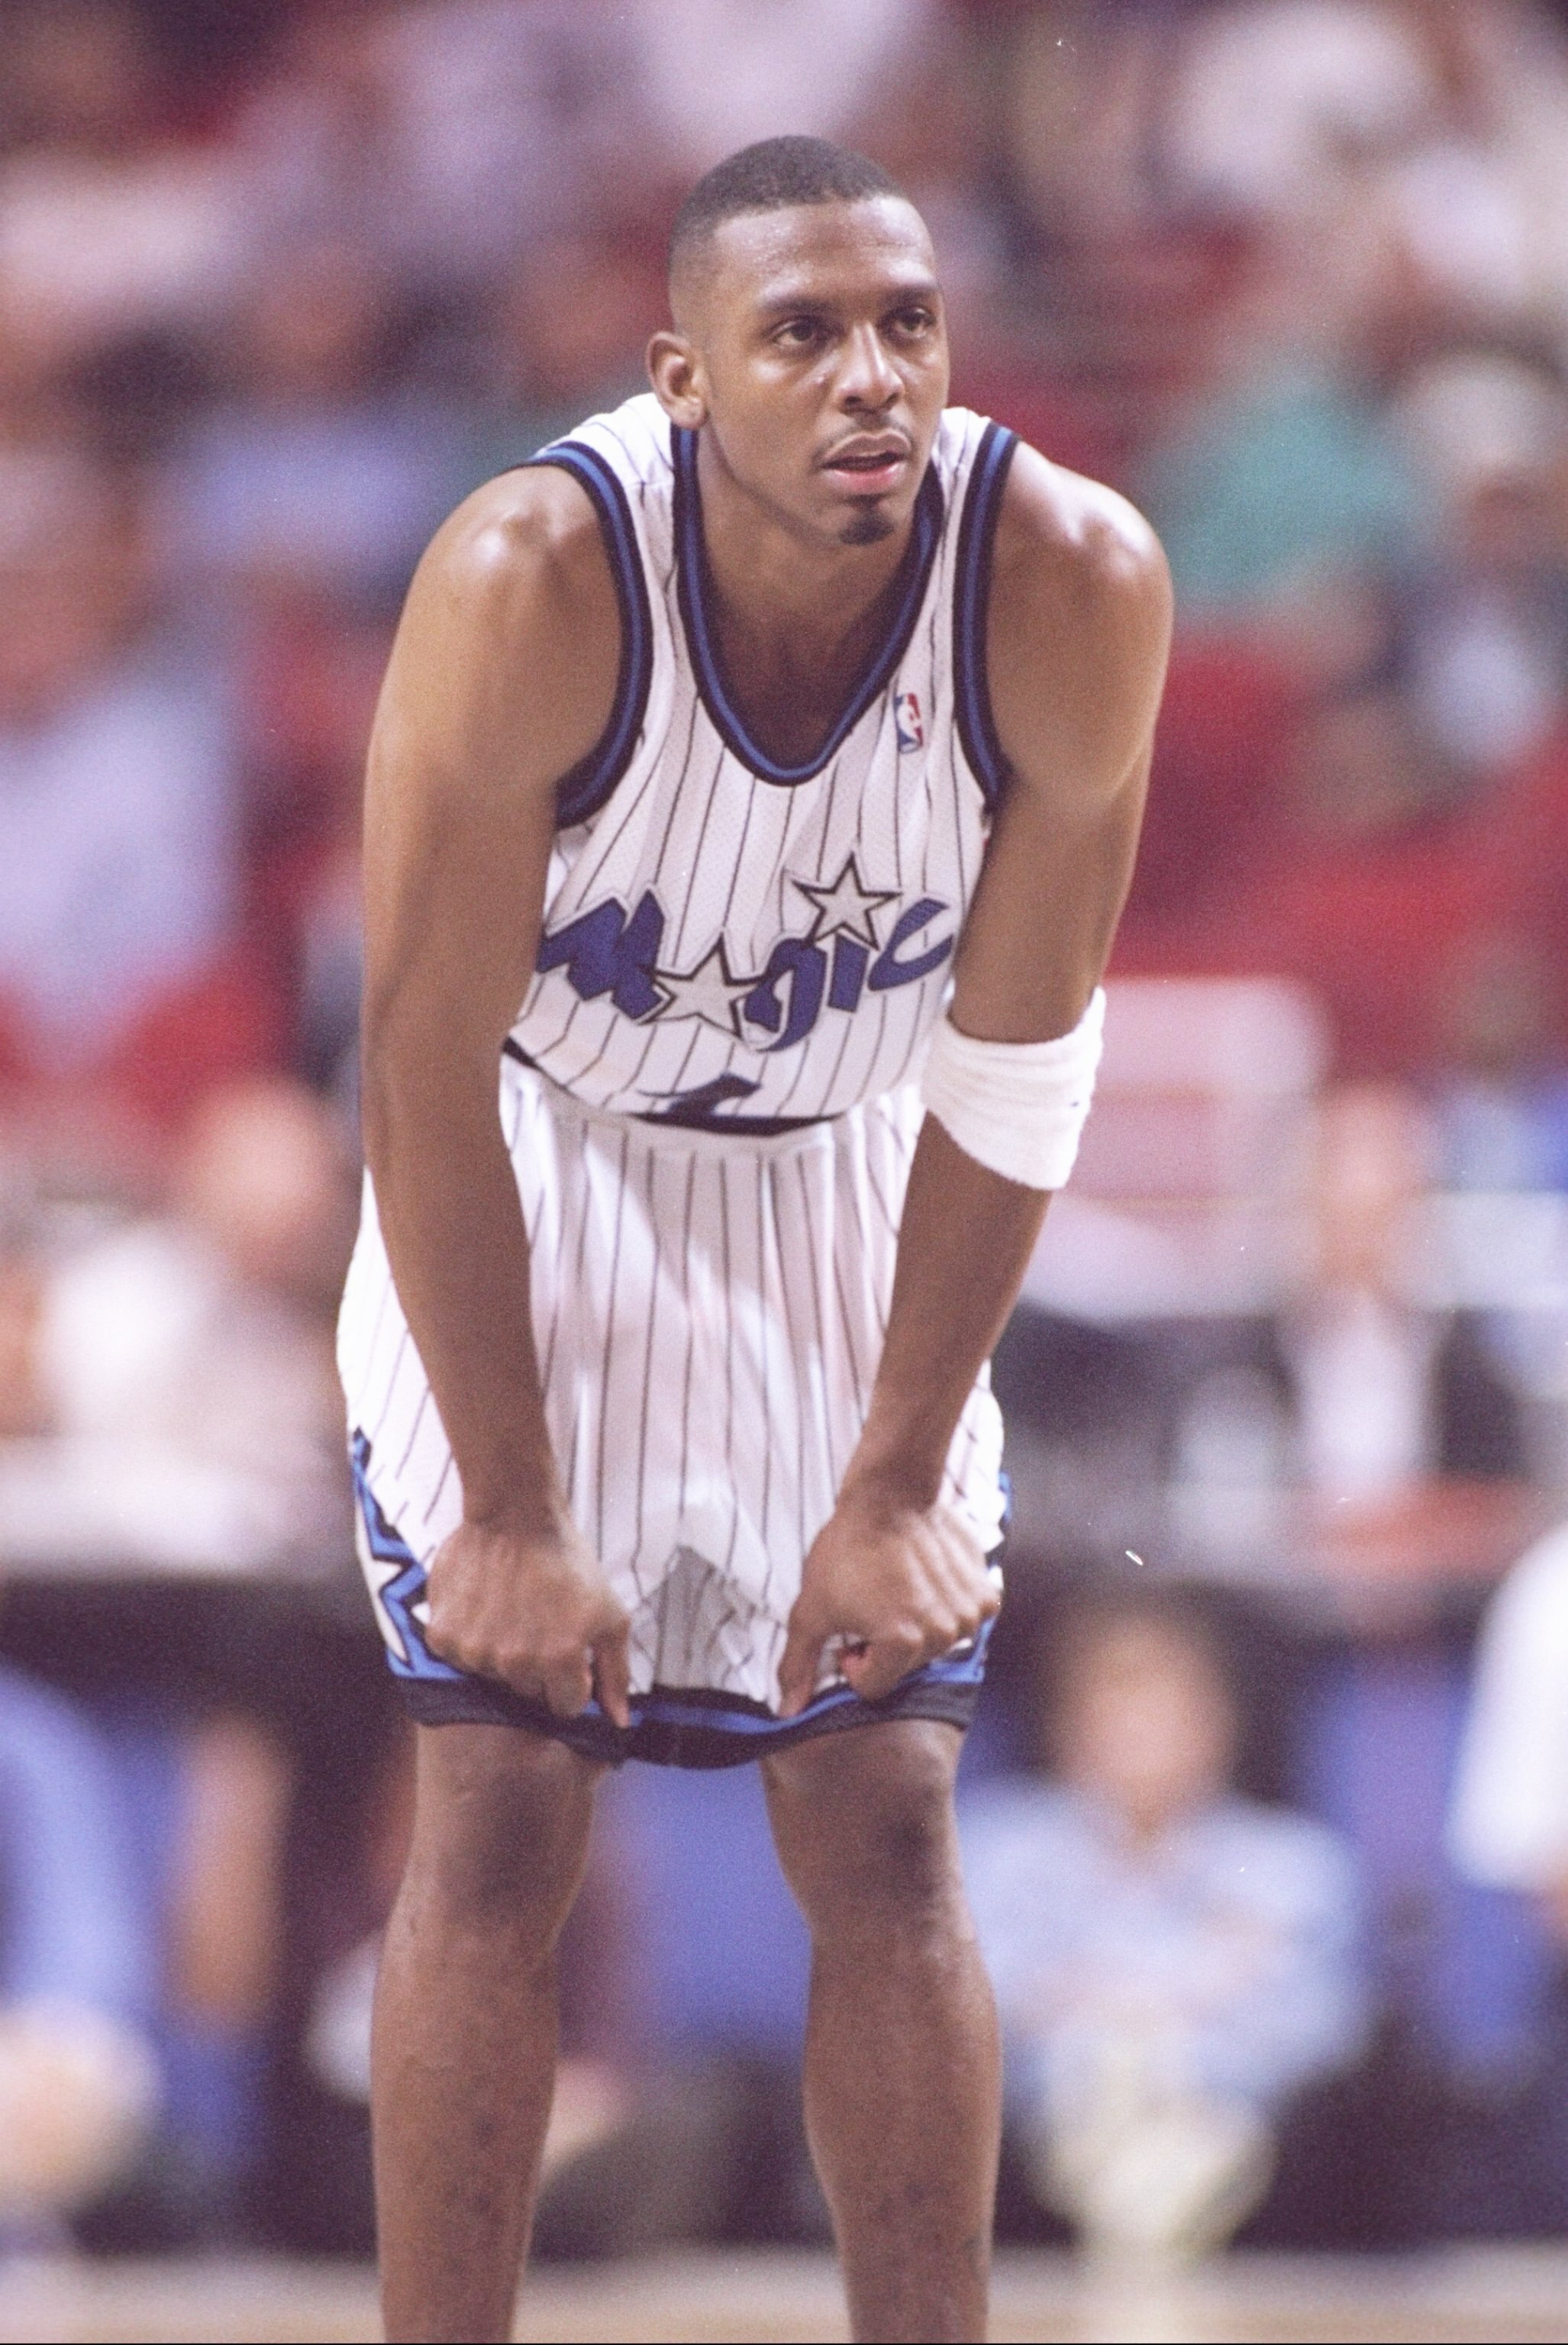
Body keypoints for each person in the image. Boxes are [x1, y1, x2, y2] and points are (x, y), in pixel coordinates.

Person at [337, 135, 1170, 2343]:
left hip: (845, 1165)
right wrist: (505, 1516)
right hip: (539, 1156)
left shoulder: (1067, 578)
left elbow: (1015, 1067)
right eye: (799, 333)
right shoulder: (528, 575)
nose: (869, 377)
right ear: (680, 374)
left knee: (885, 1808)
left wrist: (892, 1485)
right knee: (502, 1799)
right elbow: (420, 1072)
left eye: (904, 323)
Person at [962, 1589, 1366, 2263]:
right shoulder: (992, 1848)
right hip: (1027, 2191)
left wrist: (1099, 2005)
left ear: (1219, 1726)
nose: (1142, 1734)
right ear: (1067, 1726)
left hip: (1251, 2181)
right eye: (1116, 1709)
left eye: (1167, 1711)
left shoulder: (1295, 1865)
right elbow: (971, 2014)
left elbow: (1319, 2030)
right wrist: (1191, 1990)